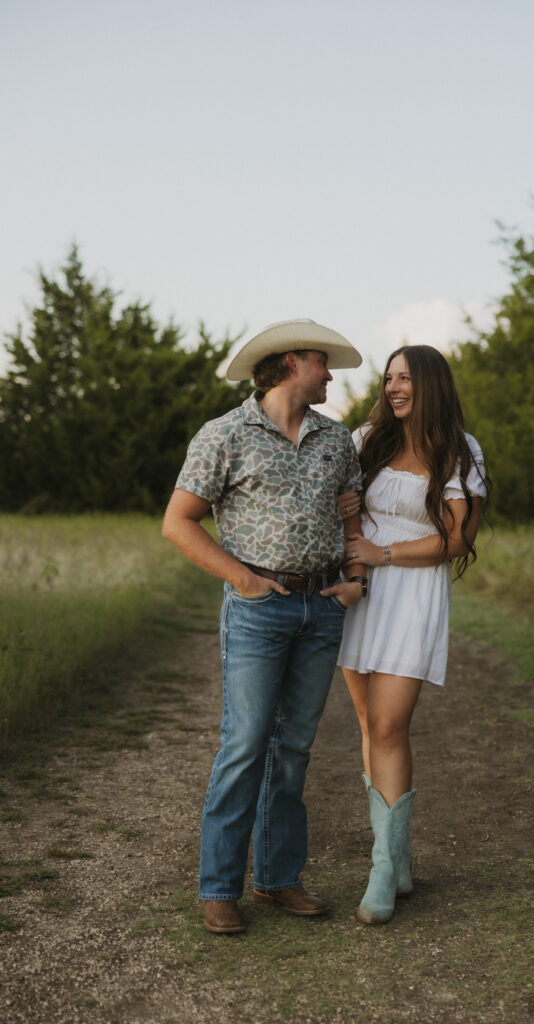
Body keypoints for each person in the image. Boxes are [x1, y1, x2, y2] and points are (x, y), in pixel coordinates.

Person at [162, 318, 368, 935]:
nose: (331, 373)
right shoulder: (224, 435)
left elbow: (353, 519)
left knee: (295, 747)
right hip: (258, 608)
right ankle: (220, 888)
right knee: (246, 743)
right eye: (321, 361)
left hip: (323, 606)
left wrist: (356, 581)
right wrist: (247, 581)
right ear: (288, 363)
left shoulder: (336, 442)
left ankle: (278, 879)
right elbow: (179, 523)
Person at [336, 344, 488, 925]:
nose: (395, 387)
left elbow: (456, 540)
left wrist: (385, 552)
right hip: (360, 592)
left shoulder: (459, 449)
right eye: (390, 377)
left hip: (411, 591)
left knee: (389, 724)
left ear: (431, 385)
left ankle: (381, 868)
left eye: (407, 378)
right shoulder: (365, 438)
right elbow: (341, 506)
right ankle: (395, 859)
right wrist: (350, 528)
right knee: (367, 725)